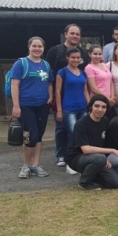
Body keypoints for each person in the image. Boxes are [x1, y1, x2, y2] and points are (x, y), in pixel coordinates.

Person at [45, 23, 90, 168]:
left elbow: (85, 76)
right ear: (65, 34)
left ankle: (77, 154)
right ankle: (61, 155)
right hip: (61, 96)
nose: (75, 36)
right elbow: (48, 73)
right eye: (72, 33)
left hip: (79, 95)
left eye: (77, 34)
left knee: (78, 129)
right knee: (61, 128)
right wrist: (50, 95)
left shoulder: (83, 52)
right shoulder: (55, 51)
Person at [65, 95, 118, 190]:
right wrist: (111, 152)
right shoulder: (81, 124)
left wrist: (104, 158)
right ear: (91, 106)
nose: (100, 109)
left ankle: (93, 176)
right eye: (97, 106)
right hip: (76, 158)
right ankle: (84, 183)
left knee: (116, 183)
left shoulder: (105, 120)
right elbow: (85, 149)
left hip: (96, 157)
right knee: (99, 158)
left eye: (103, 107)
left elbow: (105, 142)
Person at [11, 36, 53, 179]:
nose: (37, 49)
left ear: (43, 48)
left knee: (39, 135)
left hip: (42, 105)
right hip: (26, 105)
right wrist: (16, 105)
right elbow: (14, 84)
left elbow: (49, 83)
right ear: (29, 47)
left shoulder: (46, 65)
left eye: (40, 46)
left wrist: (51, 97)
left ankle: (36, 165)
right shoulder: (21, 63)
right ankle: (25, 166)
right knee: (30, 135)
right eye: (34, 46)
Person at [54, 47, 89, 174]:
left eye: (77, 58)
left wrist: (89, 105)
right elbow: (57, 92)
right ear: (67, 58)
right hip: (69, 108)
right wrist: (59, 109)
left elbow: (85, 91)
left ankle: (81, 158)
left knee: (82, 134)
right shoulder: (62, 72)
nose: (75, 60)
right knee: (72, 134)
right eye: (73, 57)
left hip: (82, 108)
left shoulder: (83, 72)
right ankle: (71, 161)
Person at [85, 45, 117, 119]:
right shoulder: (89, 68)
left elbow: (110, 82)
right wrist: (108, 99)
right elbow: (93, 88)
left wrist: (112, 97)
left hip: (110, 102)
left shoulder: (104, 65)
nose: (98, 56)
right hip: (98, 101)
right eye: (95, 54)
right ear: (90, 54)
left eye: (100, 54)